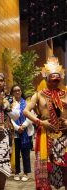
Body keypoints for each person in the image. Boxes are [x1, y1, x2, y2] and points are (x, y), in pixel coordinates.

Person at [23, 56, 67, 190]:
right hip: (45, 134)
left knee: (66, 166)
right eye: (52, 80)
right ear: (46, 78)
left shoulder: (65, 93)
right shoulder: (39, 94)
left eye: (57, 80)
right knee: (46, 167)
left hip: (64, 135)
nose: (55, 83)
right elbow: (26, 111)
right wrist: (40, 122)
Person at [10, 85, 33, 182]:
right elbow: (9, 117)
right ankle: (16, 172)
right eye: (15, 91)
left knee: (26, 154)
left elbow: (31, 116)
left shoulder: (27, 103)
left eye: (19, 90)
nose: (17, 92)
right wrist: (16, 127)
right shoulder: (10, 104)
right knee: (15, 153)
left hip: (26, 132)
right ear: (12, 93)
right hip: (15, 132)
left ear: (21, 91)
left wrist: (23, 126)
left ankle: (25, 173)